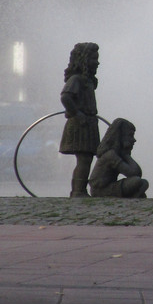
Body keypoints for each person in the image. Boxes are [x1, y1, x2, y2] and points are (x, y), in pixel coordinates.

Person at [59, 42, 102, 198]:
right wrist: (77, 114)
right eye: (93, 59)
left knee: (86, 159)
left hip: (88, 122)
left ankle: (79, 190)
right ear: (83, 61)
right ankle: (78, 191)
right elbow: (65, 97)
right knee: (83, 159)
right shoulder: (76, 79)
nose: (97, 62)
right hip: (80, 124)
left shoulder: (87, 81)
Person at [89, 118, 149, 198]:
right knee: (138, 182)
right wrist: (126, 155)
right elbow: (133, 173)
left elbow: (137, 173)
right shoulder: (110, 155)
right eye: (130, 135)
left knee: (142, 183)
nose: (134, 140)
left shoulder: (115, 154)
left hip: (109, 187)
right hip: (101, 191)